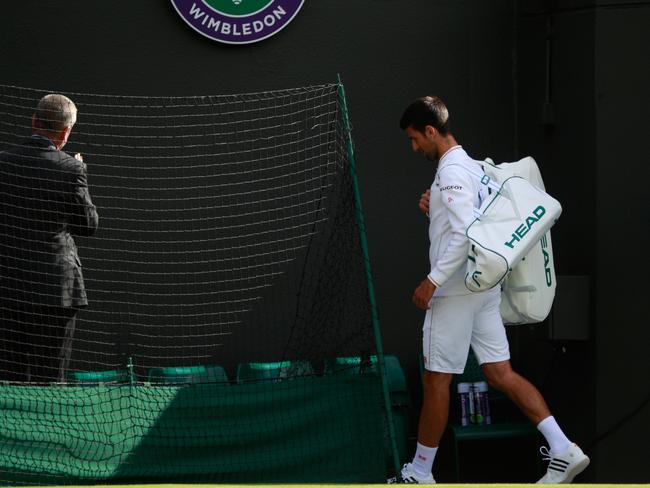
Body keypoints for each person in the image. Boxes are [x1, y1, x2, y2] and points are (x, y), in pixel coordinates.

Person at [388, 96, 589, 484]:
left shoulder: (450, 172)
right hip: (484, 290)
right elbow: (476, 221)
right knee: (500, 372)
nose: (414, 148)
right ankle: (563, 448)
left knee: (436, 380)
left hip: (455, 292)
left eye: (415, 139)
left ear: (431, 131)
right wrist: (437, 211)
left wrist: (432, 280)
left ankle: (420, 473)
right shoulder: (473, 168)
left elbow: (465, 233)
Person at [0, 94, 98, 383]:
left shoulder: (2, 163)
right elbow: (87, 225)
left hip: (7, 287)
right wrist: (80, 175)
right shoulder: (71, 169)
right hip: (56, 289)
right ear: (66, 131)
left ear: (34, 121)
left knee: (8, 375)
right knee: (51, 376)